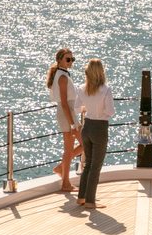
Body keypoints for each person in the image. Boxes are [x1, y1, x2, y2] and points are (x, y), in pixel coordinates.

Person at [75, 58, 115, 209]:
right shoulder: (105, 89)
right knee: (96, 165)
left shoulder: (82, 88)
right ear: (101, 71)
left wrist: (88, 108)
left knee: (88, 163)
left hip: (87, 126)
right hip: (100, 127)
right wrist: (101, 110)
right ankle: (91, 200)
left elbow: (77, 107)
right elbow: (110, 111)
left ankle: (81, 197)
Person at [46, 48, 82, 192]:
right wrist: (73, 123)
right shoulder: (62, 77)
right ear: (59, 60)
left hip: (69, 113)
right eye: (68, 59)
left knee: (70, 149)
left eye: (72, 59)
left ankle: (63, 175)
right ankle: (64, 177)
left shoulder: (63, 75)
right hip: (67, 114)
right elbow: (64, 102)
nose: (70, 62)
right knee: (84, 144)